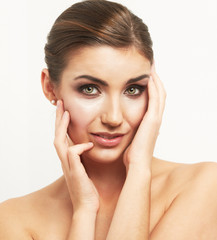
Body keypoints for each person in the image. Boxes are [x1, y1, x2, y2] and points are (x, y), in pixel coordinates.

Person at [0, 0, 217, 239]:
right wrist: (84, 211)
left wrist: (138, 169)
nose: (114, 117)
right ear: (50, 88)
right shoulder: (13, 219)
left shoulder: (205, 186)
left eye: (133, 89)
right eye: (90, 89)